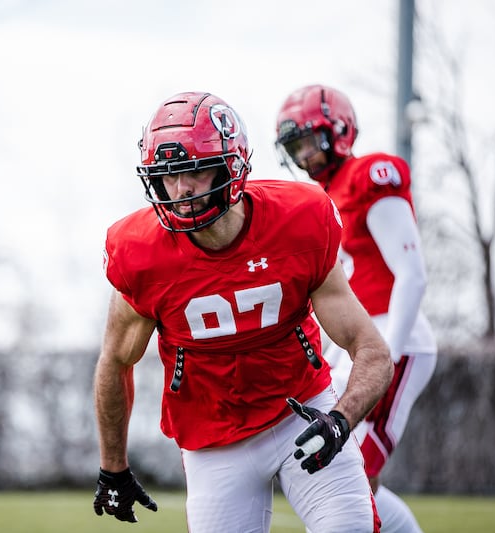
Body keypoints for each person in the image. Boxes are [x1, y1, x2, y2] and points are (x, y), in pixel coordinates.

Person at [92, 91, 394, 533]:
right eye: (169, 176)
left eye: (194, 170)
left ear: (232, 165)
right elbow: (115, 362)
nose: (181, 190)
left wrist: (341, 420)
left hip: (302, 410)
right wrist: (112, 466)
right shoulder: (140, 253)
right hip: (213, 438)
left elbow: (372, 350)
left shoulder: (299, 220)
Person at [274, 84, 438, 533]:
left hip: (392, 338)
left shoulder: (369, 176)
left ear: (338, 130)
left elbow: (412, 273)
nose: (304, 154)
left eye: (309, 141)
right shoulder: (320, 200)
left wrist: (389, 352)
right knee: (346, 473)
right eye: (295, 146)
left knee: (354, 473)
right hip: (359, 346)